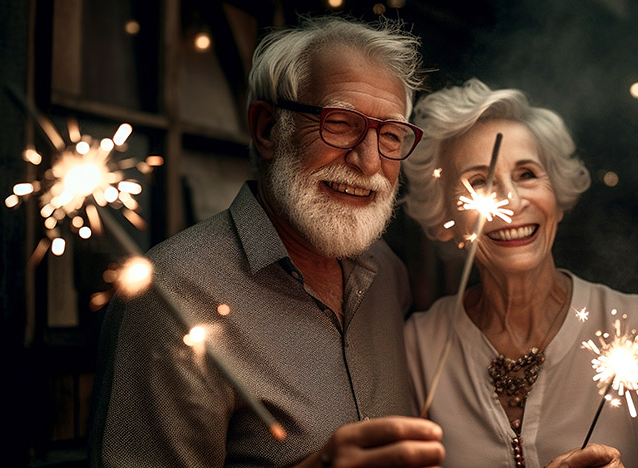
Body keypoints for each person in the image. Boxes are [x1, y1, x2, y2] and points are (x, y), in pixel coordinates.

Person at [89, 17, 444, 468]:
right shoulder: (170, 295)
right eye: (340, 123)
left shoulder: (388, 273)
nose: (369, 161)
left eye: (390, 134)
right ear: (268, 128)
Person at [401, 78, 638, 468]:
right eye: (479, 182)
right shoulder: (418, 348)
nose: (511, 201)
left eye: (527, 174)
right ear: (445, 214)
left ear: (557, 196)